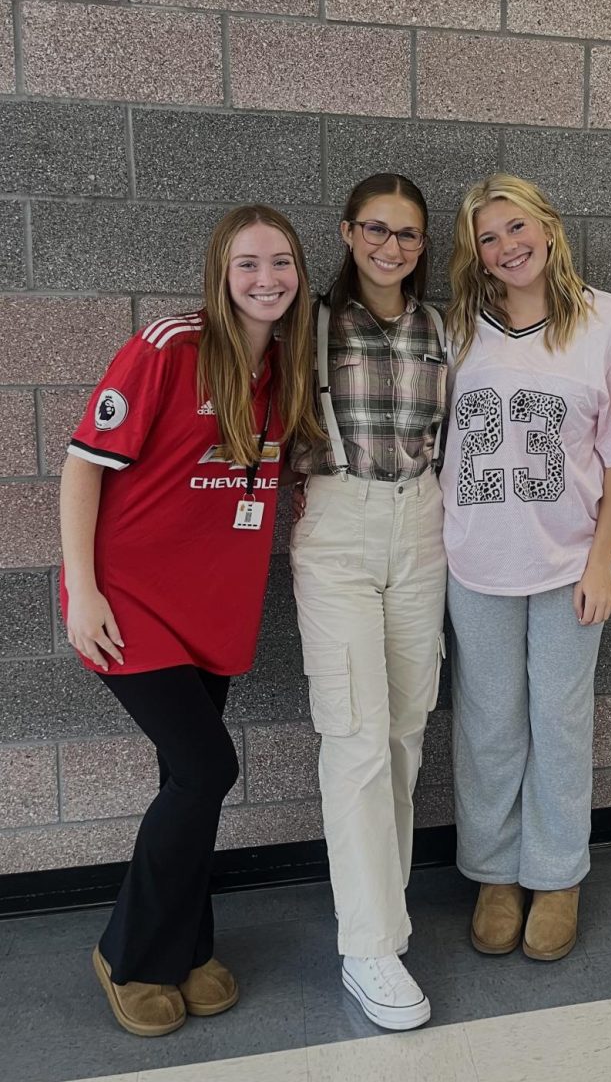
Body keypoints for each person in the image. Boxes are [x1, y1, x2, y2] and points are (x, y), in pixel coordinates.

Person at [60, 205, 320, 1036]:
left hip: (213, 612)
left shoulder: (286, 365)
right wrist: (84, 588)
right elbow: (81, 468)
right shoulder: (168, 346)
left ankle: (189, 948)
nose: (266, 279)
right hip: (129, 606)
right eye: (248, 263)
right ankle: (130, 954)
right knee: (207, 769)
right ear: (221, 270)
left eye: (280, 262)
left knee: (187, 780)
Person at [443, 174, 611, 960]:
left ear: (548, 225)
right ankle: (496, 874)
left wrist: (601, 564)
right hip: (476, 562)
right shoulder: (458, 327)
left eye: (515, 227)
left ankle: (558, 874)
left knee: (560, 725)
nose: (506, 247)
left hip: (569, 561)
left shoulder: (606, 320)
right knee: (489, 724)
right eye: (487, 238)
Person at [289, 174, 447, 1031]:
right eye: (377, 231)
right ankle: (369, 946)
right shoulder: (309, 324)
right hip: (338, 525)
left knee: (403, 731)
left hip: (423, 524)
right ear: (348, 233)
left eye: (409, 235)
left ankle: (382, 918)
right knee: (354, 735)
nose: (392, 247)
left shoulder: (438, 328)